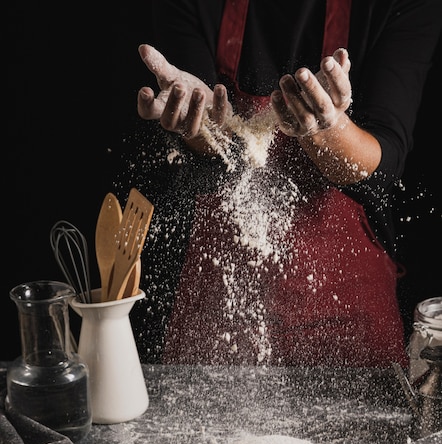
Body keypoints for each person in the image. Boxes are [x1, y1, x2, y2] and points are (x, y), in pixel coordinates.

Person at [127, 0, 441, 367]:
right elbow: (210, 143)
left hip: (348, 319)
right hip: (219, 308)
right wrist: (203, 125)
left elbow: (385, 161)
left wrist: (327, 129)